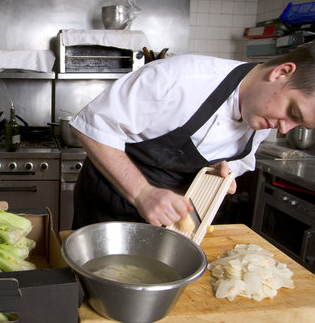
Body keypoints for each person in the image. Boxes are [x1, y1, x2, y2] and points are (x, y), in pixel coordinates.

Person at [70, 41, 315, 229]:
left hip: (175, 221)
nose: (284, 129)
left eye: (299, 124)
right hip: (110, 209)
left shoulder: (263, 114)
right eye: (292, 112)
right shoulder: (179, 79)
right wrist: (142, 193)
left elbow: (237, 158)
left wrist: (221, 168)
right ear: (282, 72)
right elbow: (92, 126)